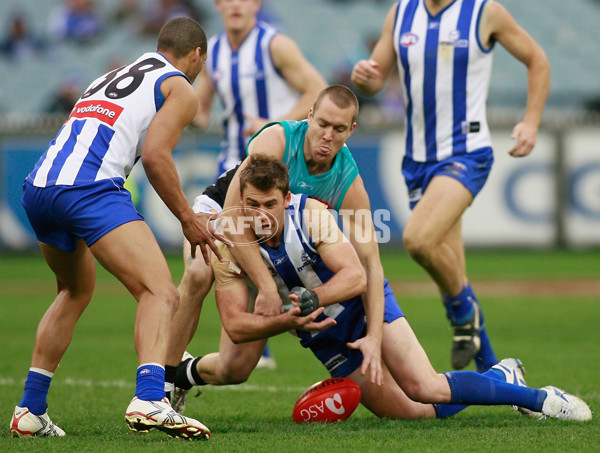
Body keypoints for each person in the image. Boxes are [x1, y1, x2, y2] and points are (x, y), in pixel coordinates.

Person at [178, 153, 592, 422]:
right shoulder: (229, 245)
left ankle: (539, 398)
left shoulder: (313, 216)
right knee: (415, 413)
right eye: (251, 206)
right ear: (240, 203)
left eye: (270, 205)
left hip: (362, 306)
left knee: (424, 386)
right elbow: (235, 326)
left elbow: (357, 276)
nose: (261, 215)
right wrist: (289, 318)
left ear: (286, 199)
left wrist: (312, 300)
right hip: (322, 335)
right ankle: (503, 374)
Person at [9, 17, 225, 440]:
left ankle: (30, 409)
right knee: (160, 291)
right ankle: (149, 398)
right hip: (89, 187)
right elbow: (156, 157)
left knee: (74, 290)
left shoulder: (111, 74)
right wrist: (188, 217)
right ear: (197, 55)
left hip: (39, 187)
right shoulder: (180, 86)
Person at [351, 0, 551, 372]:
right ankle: (498, 371)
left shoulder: (484, 12)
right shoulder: (401, 13)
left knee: (419, 240)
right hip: (417, 159)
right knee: (451, 268)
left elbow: (537, 59)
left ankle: (463, 313)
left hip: (466, 152)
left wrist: (531, 121)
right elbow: (377, 78)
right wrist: (365, 78)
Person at [167, 85, 387, 412]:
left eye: (338, 129)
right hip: (225, 216)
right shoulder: (277, 141)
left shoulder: (347, 180)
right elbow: (232, 219)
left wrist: (376, 338)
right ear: (309, 116)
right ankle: (157, 383)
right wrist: (268, 288)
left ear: (350, 131)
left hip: (269, 247)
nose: (327, 135)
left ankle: (184, 374)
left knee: (234, 369)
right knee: (200, 269)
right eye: (323, 124)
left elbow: (370, 265)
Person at [168, 0, 326, 377]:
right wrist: (173, 107)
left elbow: (318, 94)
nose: (236, 4)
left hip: (269, 181)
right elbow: (201, 111)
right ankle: (160, 377)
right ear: (219, 5)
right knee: (198, 272)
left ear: (256, 4)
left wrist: (271, 124)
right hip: (227, 180)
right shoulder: (214, 52)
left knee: (235, 367)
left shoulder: (275, 46)